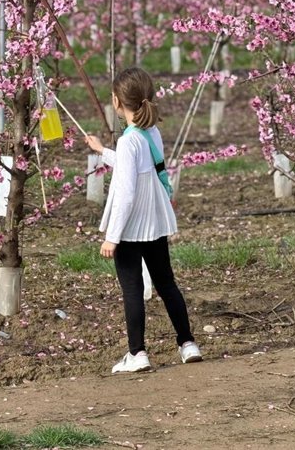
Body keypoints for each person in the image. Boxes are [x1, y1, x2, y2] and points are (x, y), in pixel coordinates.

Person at [85, 67, 202, 374]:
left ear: (115, 101)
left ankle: (137, 353)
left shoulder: (129, 141)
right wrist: (102, 151)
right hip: (155, 221)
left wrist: (113, 235)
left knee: (132, 289)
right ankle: (187, 344)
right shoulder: (152, 134)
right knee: (166, 282)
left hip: (130, 227)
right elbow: (137, 166)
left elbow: (124, 191)